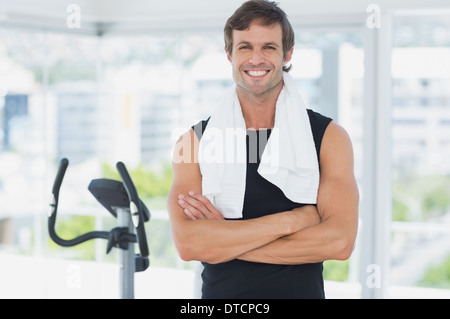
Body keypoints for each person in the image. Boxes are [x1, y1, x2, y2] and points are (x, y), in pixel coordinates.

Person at [167, 0, 359, 299]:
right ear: (229, 54)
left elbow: (339, 242)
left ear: (287, 54)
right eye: (245, 47)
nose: (256, 59)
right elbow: (189, 244)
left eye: (269, 47)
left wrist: (226, 238)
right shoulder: (192, 143)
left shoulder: (328, 138)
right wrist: (292, 220)